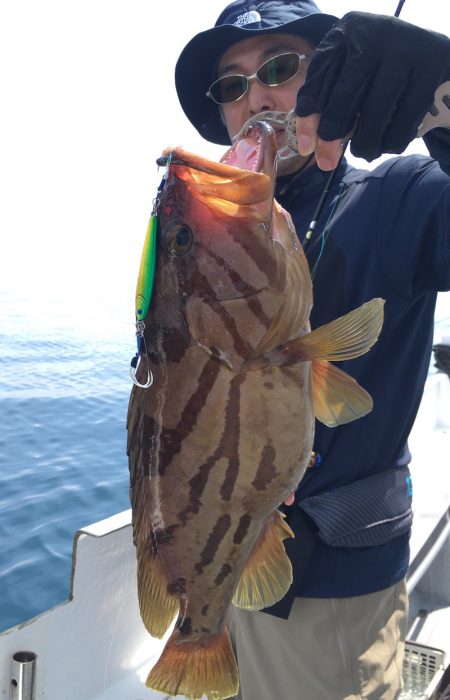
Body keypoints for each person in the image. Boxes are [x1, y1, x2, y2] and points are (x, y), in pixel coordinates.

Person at [174, 2, 450, 699]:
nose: (255, 96)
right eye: (230, 86)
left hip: (330, 595)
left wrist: (445, 101)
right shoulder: (205, 237)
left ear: (334, 75)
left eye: (280, 68)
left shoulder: (401, 193)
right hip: (218, 560)